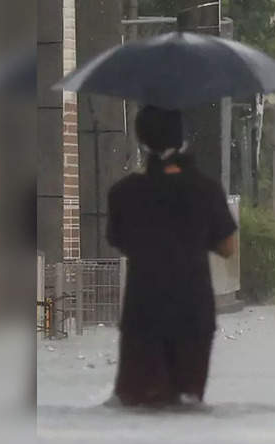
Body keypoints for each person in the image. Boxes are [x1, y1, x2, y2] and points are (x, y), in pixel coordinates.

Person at [105, 106, 238, 407]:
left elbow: (119, 240)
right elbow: (228, 247)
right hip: (193, 314)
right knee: (188, 402)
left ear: (141, 140)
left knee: (136, 401)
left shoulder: (123, 193)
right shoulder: (206, 190)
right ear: (183, 140)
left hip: (142, 313)